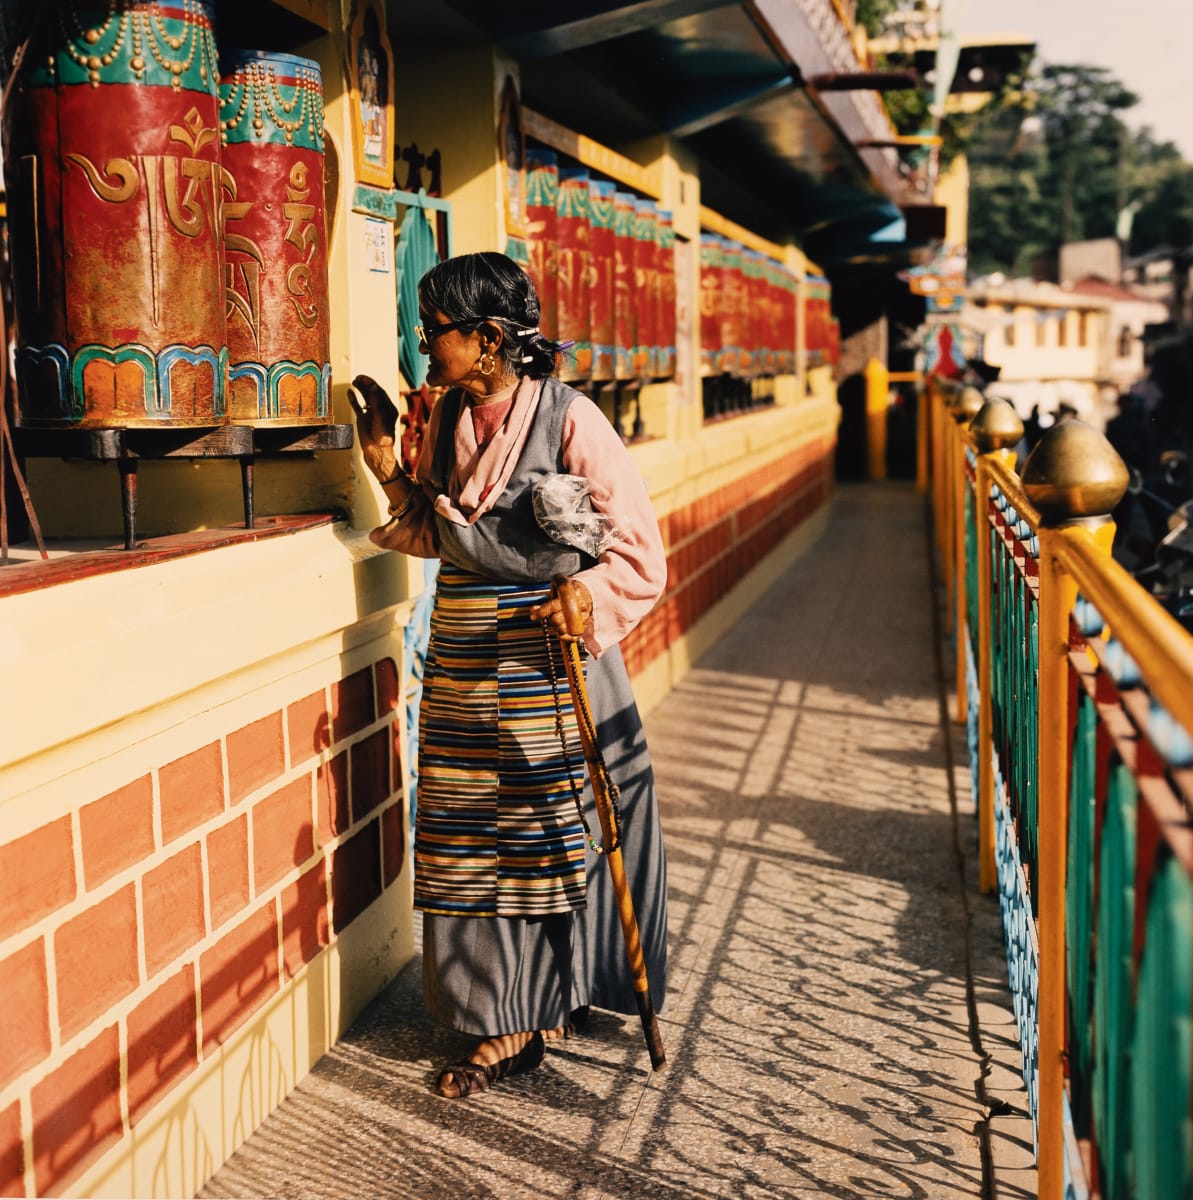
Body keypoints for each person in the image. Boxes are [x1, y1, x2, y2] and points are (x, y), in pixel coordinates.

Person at [348, 251, 669, 1099]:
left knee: (535, 837)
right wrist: (385, 462)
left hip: (542, 658)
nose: (424, 347)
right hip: (460, 651)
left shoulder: (572, 419)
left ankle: (525, 1017)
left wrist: (584, 595)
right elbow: (435, 532)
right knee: (463, 836)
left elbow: (639, 553)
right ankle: (487, 1008)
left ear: (488, 339)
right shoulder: (446, 415)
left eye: (437, 332)